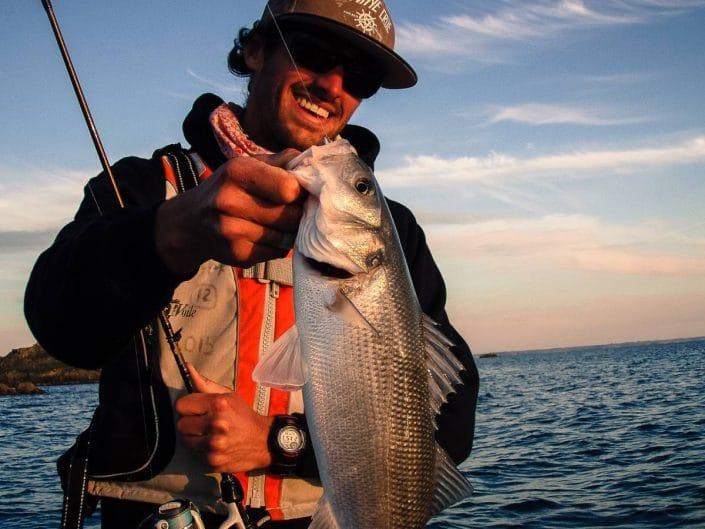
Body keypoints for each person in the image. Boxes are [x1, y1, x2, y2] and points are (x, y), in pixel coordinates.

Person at [25, 1, 480, 528]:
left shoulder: (392, 233)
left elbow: (451, 427)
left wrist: (277, 442)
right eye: (314, 53)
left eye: (359, 77)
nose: (334, 85)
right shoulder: (144, 190)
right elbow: (61, 327)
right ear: (255, 48)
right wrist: (170, 234)